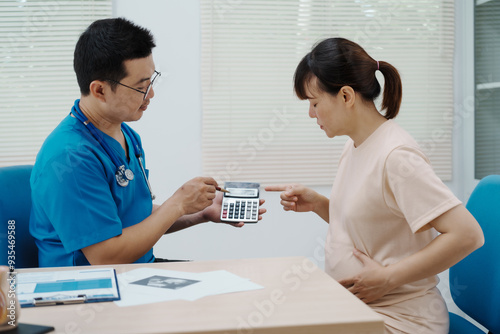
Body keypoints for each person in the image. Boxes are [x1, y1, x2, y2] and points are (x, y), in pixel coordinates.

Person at [266, 38, 484, 334]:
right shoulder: (355, 146)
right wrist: (319, 204)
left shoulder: (397, 157)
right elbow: (373, 226)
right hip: (360, 309)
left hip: (402, 321)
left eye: (314, 103)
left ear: (345, 96)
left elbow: (467, 235)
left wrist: (388, 278)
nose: (311, 114)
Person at [29, 18, 265, 267]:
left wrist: (199, 212)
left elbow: (136, 217)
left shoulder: (125, 135)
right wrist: (177, 203)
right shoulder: (69, 159)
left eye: (151, 80)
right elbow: (105, 257)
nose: (151, 94)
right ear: (99, 90)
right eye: (141, 86)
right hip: (89, 287)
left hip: (137, 272)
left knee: (227, 281)